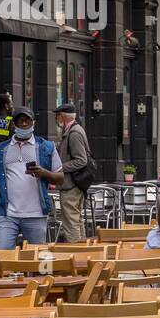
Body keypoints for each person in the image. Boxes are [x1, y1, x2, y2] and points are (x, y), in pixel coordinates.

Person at [0, 107, 64, 249]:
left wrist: (43, 173)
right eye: (20, 121)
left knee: (35, 260)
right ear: (14, 124)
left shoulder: (46, 147)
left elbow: (60, 178)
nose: (24, 124)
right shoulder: (1, 149)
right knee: (3, 257)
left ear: (34, 123)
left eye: (27, 121)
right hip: (7, 214)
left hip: (36, 214)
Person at [54, 102, 92, 243]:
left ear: (62, 117)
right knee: (76, 221)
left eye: (57, 116)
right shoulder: (74, 130)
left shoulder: (74, 133)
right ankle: (83, 252)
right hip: (76, 184)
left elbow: (81, 160)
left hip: (71, 185)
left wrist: (60, 168)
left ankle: (76, 255)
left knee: (71, 224)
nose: (56, 120)